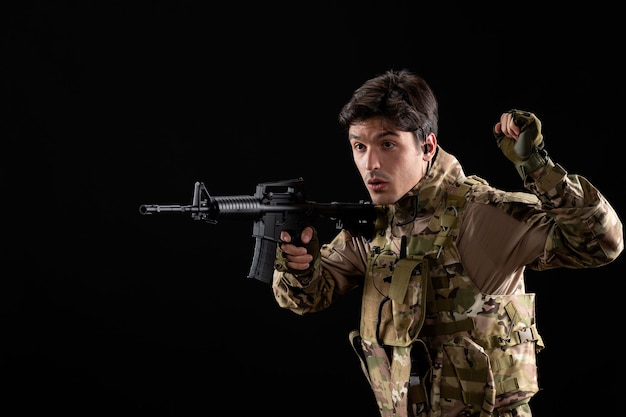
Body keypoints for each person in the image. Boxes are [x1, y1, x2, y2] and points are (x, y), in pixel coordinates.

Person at [271, 69, 623, 417]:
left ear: (427, 146)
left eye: (388, 144)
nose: (370, 163)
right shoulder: (377, 226)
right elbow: (307, 296)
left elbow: (600, 242)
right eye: (359, 147)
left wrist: (536, 167)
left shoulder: (482, 213)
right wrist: (298, 265)